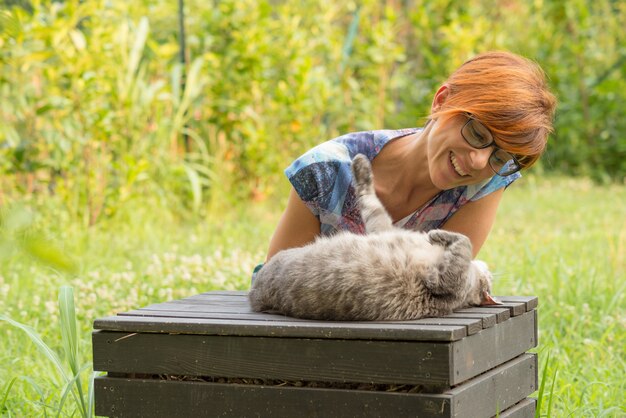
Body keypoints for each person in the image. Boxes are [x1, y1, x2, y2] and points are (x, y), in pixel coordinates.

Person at [262, 51, 557, 270]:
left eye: (501, 156)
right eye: (477, 134)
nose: (480, 162)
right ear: (441, 100)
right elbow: (275, 281)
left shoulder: (487, 182)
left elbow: (442, 283)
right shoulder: (325, 172)